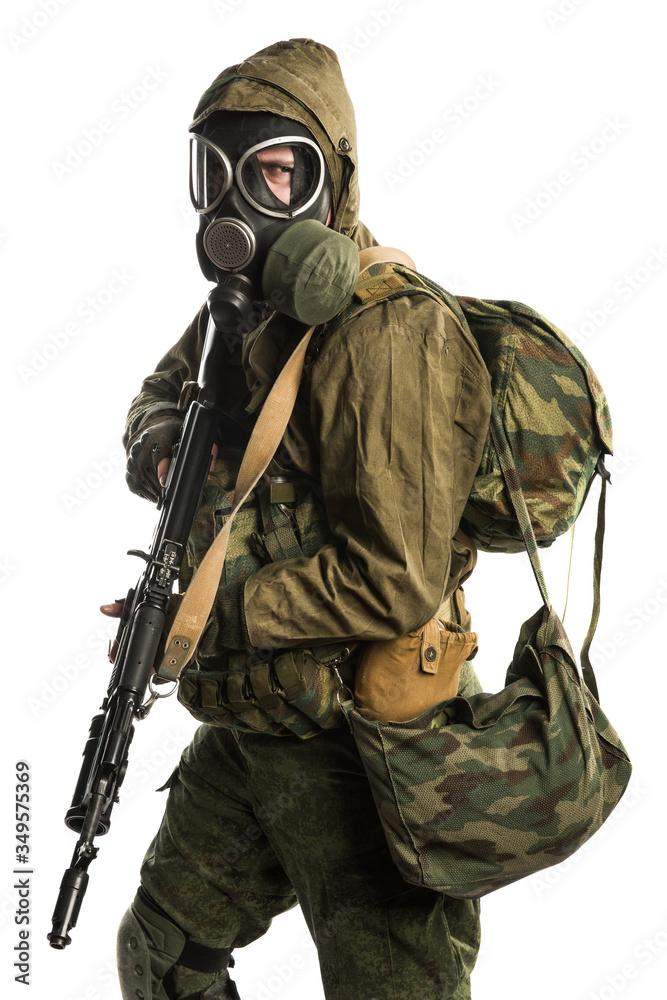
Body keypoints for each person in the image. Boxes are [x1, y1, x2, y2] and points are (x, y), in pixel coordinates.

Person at [113, 37, 492, 1000]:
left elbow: (392, 580)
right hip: (260, 719)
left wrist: (207, 616)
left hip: (367, 745)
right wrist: (166, 446)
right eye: (218, 173)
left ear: (334, 181)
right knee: (162, 957)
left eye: (276, 171)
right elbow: (158, 394)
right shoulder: (244, 306)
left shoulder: (386, 332)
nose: (240, 205)